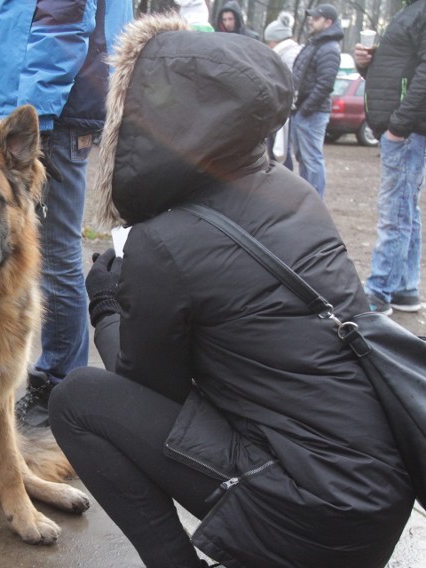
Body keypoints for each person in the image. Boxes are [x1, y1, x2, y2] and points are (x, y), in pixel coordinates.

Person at [48, 15, 414, 568]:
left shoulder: (164, 243)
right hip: (379, 500)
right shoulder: (293, 192)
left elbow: (147, 391)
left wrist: (106, 305)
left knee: (77, 400)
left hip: (312, 515)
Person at [0, 0, 134, 427]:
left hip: (49, 117)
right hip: (52, 111)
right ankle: (60, 378)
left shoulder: (41, 121)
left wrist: (36, 120)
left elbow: (62, 24)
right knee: (55, 254)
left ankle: (59, 385)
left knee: (54, 257)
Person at [356, 0, 426, 315]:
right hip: (405, 129)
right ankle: (404, 289)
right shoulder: (410, 11)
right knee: (405, 209)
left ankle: (379, 292)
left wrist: (399, 124)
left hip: (406, 131)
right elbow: (402, 68)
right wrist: (366, 64)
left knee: (394, 214)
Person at [290, 3, 342, 198]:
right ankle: (308, 199)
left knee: (311, 159)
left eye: (316, 18)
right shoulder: (317, 44)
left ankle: (315, 201)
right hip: (304, 110)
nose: (311, 21)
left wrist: (305, 109)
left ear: (328, 22)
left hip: (312, 113)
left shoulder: (328, 48)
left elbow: (325, 84)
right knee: (305, 159)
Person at [264, 11, 301, 169]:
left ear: (275, 40)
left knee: (281, 151)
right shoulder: (283, 53)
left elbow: (291, 82)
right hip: (279, 106)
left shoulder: (290, 55)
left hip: (285, 108)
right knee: (276, 150)